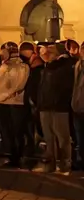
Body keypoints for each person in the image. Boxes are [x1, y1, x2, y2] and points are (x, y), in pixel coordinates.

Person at [37, 42, 74, 174]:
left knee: (62, 137)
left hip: (59, 107)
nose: (46, 54)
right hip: (45, 106)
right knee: (49, 137)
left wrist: (60, 101)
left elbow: (65, 87)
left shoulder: (64, 66)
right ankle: (50, 164)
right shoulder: (47, 67)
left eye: (50, 51)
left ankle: (65, 164)